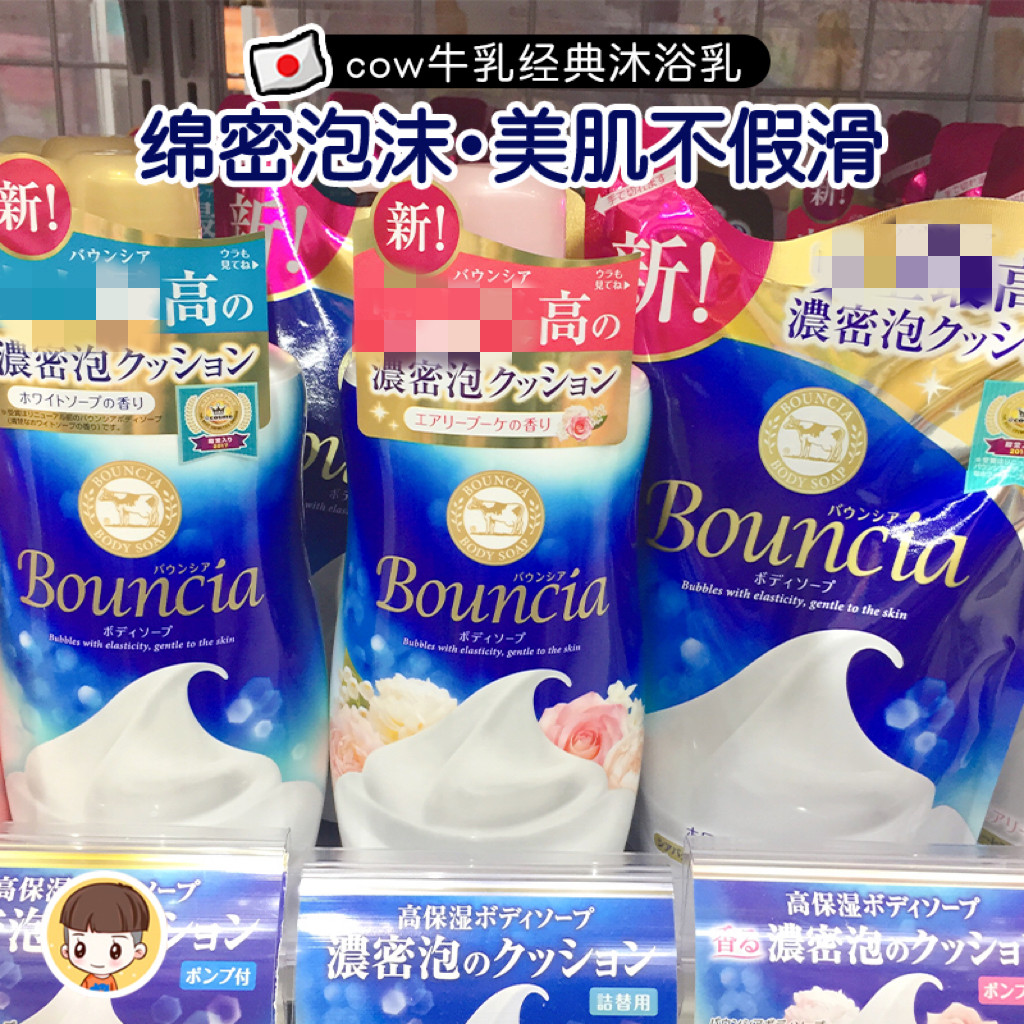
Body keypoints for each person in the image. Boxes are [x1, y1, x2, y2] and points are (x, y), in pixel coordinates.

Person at [58, 882, 150, 993]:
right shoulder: (88, 981)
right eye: (80, 949)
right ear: (66, 951)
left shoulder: (111, 981)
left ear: (138, 952)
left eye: (115, 951)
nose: (97, 960)